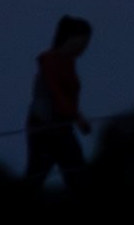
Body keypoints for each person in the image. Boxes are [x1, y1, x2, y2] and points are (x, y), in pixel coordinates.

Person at [26, 15, 93, 189]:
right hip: (47, 126)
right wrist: (76, 117)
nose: (85, 46)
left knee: (71, 173)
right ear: (72, 38)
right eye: (83, 41)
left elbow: (65, 96)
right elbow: (56, 93)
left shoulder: (68, 62)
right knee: (43, 172)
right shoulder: (51, 60)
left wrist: (76, 116)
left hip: (60, 126)